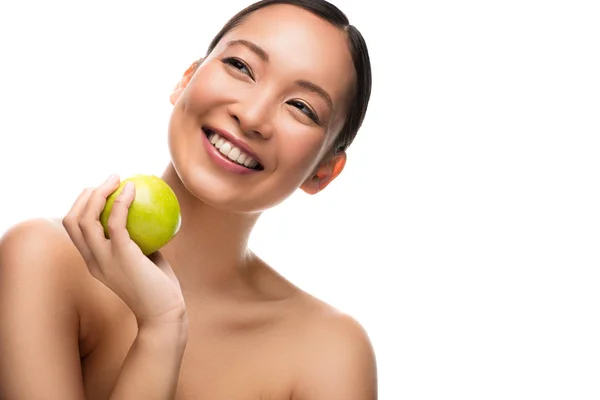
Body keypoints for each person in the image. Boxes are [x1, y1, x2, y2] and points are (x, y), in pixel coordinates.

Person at [0, 0, 376, 398]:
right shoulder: (42, 259)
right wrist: (161, 327)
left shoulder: (330, 353)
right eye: (241, 67)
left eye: (301, 107)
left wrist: (163, 323)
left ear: (323, 173)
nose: (251, 116)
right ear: (186, 79)